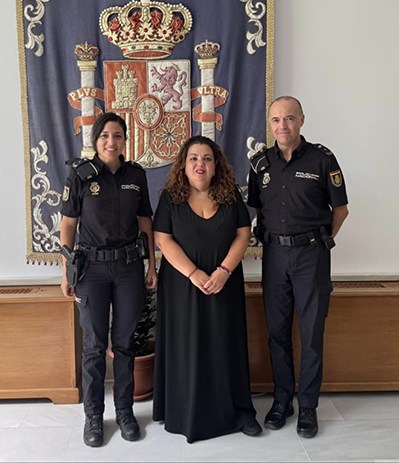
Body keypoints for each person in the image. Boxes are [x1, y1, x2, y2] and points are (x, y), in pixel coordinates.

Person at [247, 96, 349, 438]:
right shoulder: (260, 164)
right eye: (276, 120)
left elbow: (341, 210)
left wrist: (317, 241)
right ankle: (281, 400)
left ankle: (307, 406)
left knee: (311, 335)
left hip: (311, 257)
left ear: (302, 120)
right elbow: (256, 208)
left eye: (289, 118)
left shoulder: (323, 159)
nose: (283, 126)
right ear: (270, 123)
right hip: (274, 256)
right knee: (277, 333)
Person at [152, 136, 261, 443]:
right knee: (187, 345)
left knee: (225, 343)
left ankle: (238, 411)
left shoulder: (230, 195)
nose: (200, 164)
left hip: (224, 282)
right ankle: (186, 411)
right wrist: (193, 273)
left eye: (207, 158)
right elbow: (162, 239)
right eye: (194, 158)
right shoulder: (170, 197)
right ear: (183, 165)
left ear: (216, 166)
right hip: (182, 285)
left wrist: (224, 271)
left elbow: (243, 233)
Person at [59, 112, 158, 447]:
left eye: (117, 136)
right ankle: (93, 417)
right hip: (92, 271)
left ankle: (125, 412)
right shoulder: (81, 175)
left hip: (129, 268)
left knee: (125, 344)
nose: (111, 142)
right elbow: (68, 223)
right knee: (94, 346)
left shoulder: (136, 175)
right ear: (95, 140)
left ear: (125, 140)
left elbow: (145, 222)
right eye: (104, 136)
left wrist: (151, 266)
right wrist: (66, 271)